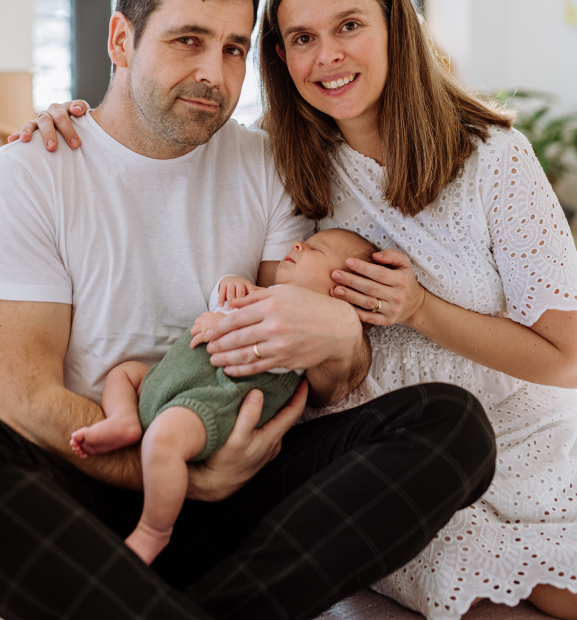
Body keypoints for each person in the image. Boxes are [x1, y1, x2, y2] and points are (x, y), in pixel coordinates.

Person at [34, 0, 577, 620]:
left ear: (395, 26)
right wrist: (68, 117)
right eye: (300, 38)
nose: (327, 57)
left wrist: (419, 308)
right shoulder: (288, 156)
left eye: (349, 26)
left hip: (520, 444)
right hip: (376, 459)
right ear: (280, 57)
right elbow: (153, 130)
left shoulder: (495, 160)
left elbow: (568, 360)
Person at [70, 228, 376, 567]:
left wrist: (222, 324)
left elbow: (267, 360)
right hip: (167, 379)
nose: (300, 243)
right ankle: (123, 419)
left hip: (210, 400)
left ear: (339, 293)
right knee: (123, 373)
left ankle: (153, 530)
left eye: (317, 249)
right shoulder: (263, 293)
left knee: (162, 442)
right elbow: (222, 303)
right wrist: (227, 287)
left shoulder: (302, 337)